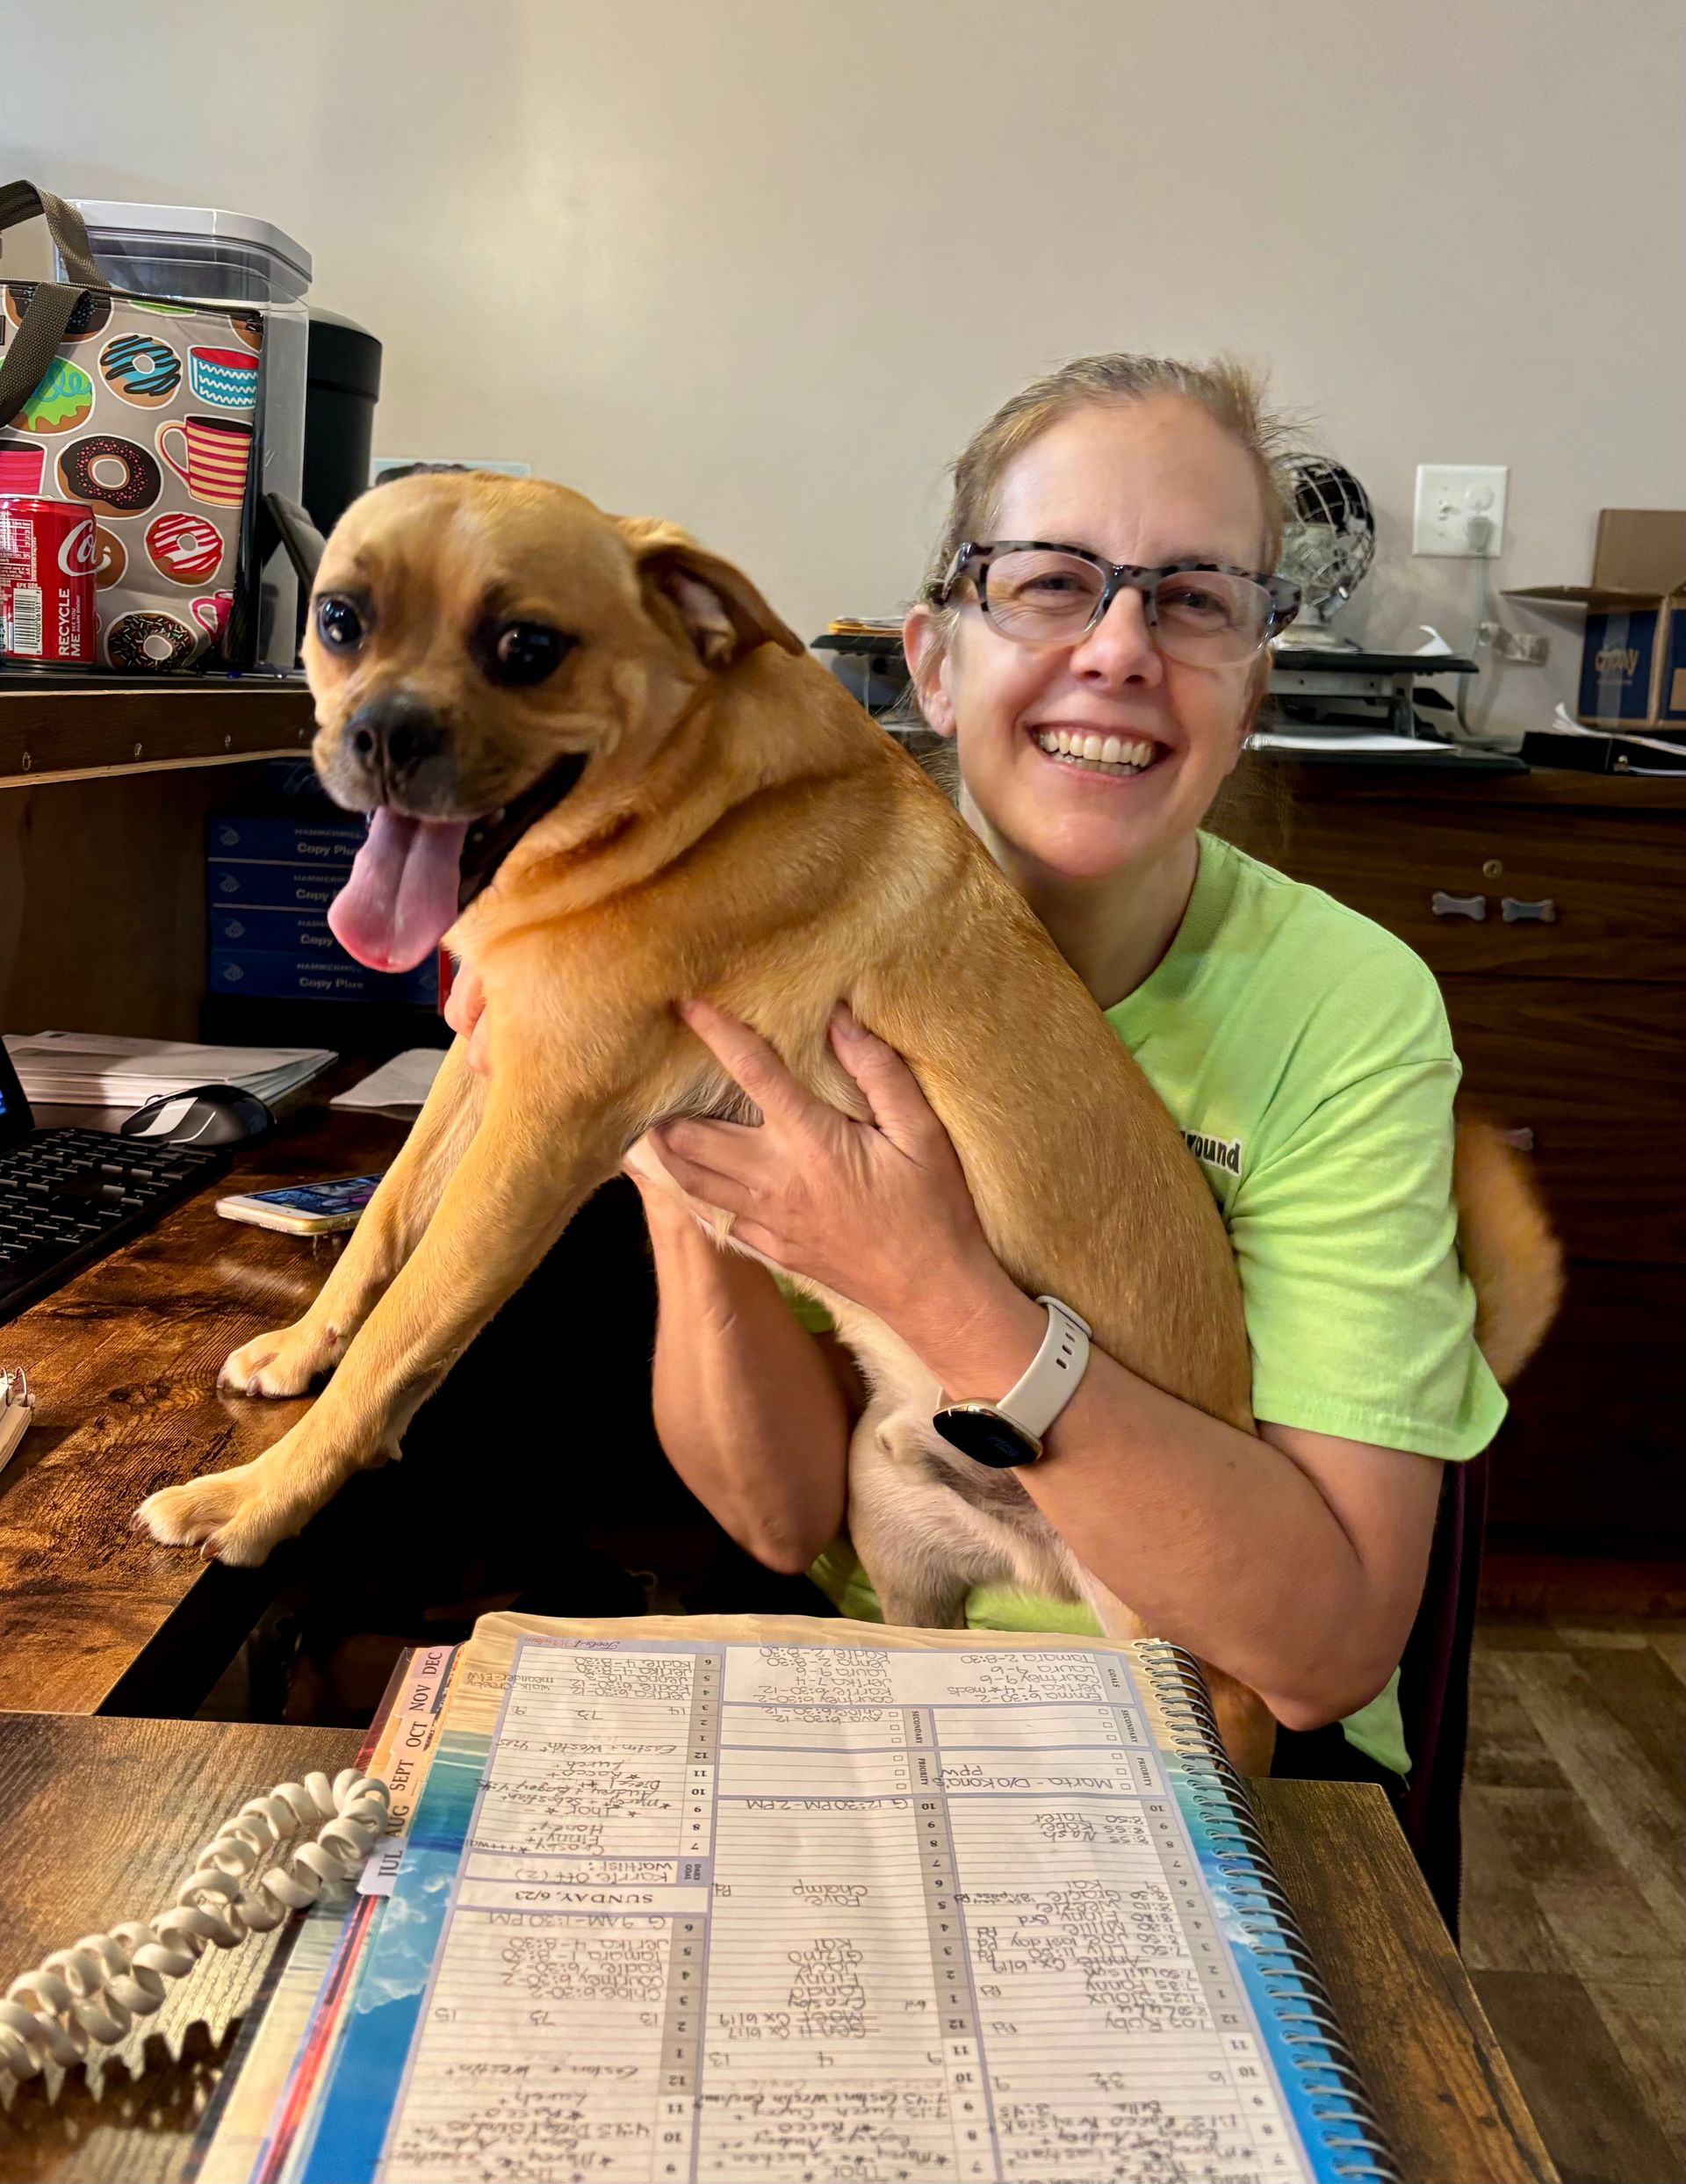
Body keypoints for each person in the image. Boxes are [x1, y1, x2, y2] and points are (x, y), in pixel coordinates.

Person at [446, 353, 1505, 1798]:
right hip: (893, 1662)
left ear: (1252, 690)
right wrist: (640, 1120)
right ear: (933, 662)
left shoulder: (1347, 1011)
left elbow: (1317, 1658)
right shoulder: (764, 942)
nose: (1123, 648)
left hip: (1225, 1719)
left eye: (1197, 600)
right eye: (1053, 582)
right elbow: (775, 1516)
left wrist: (944, 1294)